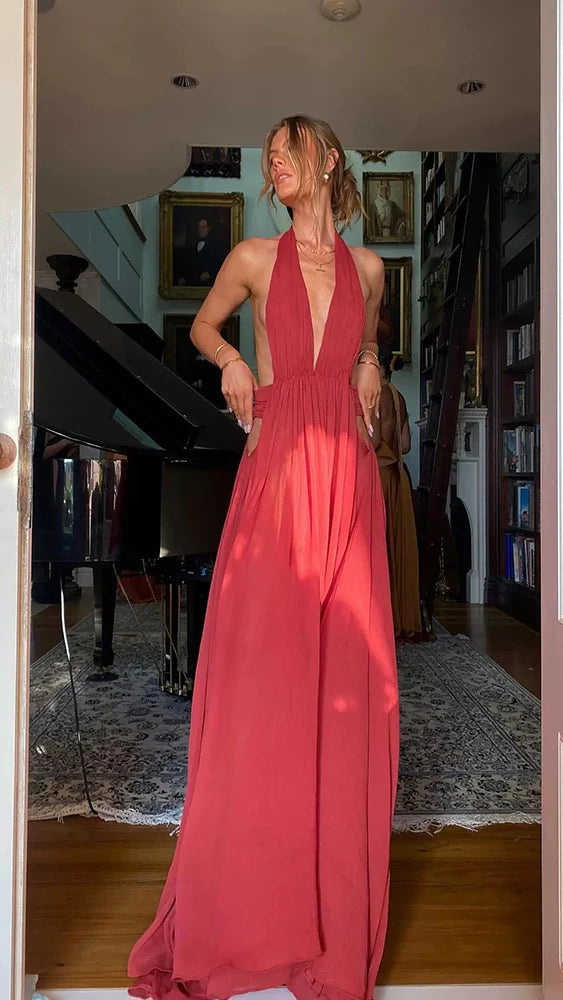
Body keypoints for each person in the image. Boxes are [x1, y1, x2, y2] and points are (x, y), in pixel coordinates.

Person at [128, 115, 399, 1000]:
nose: (274, 164)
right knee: (266, 683)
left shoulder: (371, 269)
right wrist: (232, 366)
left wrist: (369, 363)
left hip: (349, 481)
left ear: (326, 158)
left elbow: (366, 351)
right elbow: (204, 330)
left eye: (289, 151)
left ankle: (327, 927)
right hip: (278, 472)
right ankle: (251, 912)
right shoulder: (250, 256)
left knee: (347, 686)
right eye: (268, 157)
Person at [373, 347, 423, 640]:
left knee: (377, 546)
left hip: (378, 475)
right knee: (395, 546)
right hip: (398, 477)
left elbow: (375, 438)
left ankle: (379, 617)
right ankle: (396, 614)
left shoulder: (373, 395)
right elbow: (404, 445)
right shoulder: (399, 397)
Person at [177, 217, 226, 287]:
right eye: (199, 228)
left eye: (203, 227)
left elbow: (221, 263)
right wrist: (183, 277)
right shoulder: (193, 244)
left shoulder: (216, 245)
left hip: (209, 283)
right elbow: (189, 263)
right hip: (194, 282)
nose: (201, 230)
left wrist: (210, 273)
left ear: (208, 228)